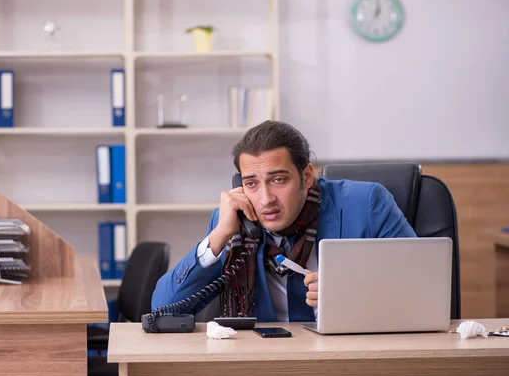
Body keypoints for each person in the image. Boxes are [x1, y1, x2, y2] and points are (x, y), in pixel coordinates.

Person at [151, 120, 417, 322]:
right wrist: (218, 236)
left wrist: (355, 292)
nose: (266, 199)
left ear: (307, 176)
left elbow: (420, 287)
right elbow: (163, 309)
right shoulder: (231, 223)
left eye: (278, 180)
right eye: (251, 184)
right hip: (266, 364)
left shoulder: (367, 204)